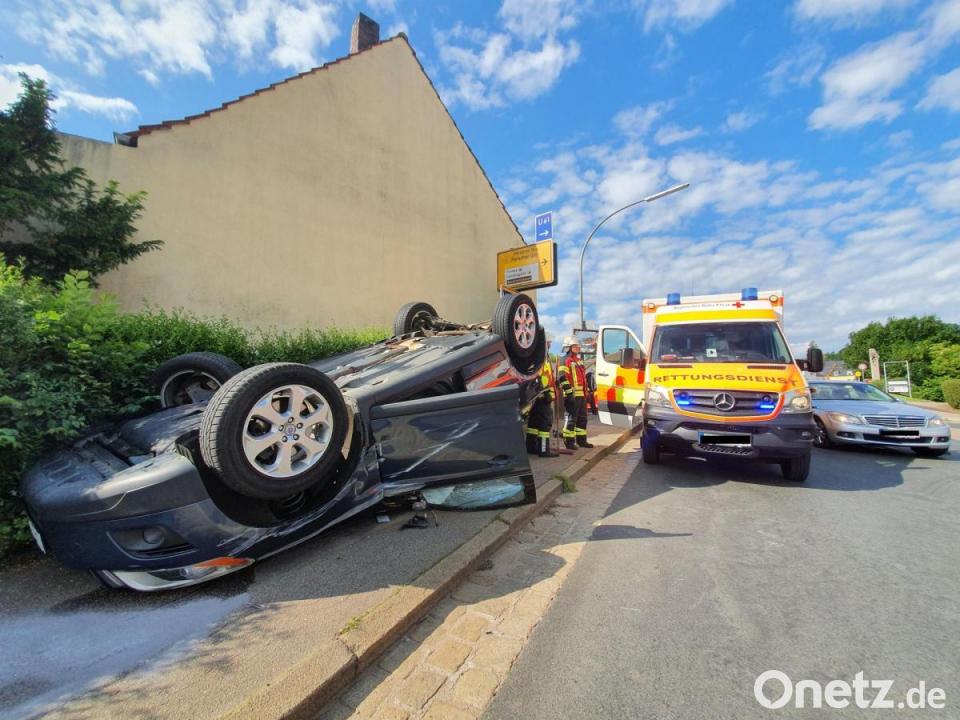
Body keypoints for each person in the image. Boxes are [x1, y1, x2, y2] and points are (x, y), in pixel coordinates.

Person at [558, 336, 593, 450]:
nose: (578, 347)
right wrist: (569, 394)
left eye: (578, 345)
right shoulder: (565, 360)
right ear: (569, 347)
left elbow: (583, 378)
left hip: (581, 395)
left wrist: (587, 392)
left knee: (582, 418)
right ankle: (569, 442)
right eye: (575, 346)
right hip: (572, 395)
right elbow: (562, 377)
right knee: (571, 419)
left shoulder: (578, 360)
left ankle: (582, 440)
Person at [526, 348, 559, 457]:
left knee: (534, 423)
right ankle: (544, 450)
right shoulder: (540, 357)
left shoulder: (543, 357)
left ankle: (531, 447)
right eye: (548, 343)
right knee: (545, 424)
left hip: (538, 396)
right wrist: (546, 392)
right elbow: (538, 376)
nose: (549, 345)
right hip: (542, 396)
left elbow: (546, 377)